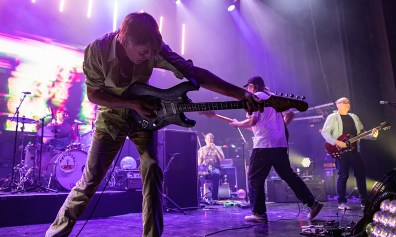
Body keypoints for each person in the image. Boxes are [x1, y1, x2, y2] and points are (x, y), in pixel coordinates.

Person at [45, 12, 262, 237]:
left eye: (152, 51)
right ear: (124, 39)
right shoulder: (97, 50)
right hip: (111, 118)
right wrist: (131, 103)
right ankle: (56, 234)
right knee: (89, 181)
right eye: (143, 52)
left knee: (152, 170)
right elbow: (93, 95)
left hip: (146, 116)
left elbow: (195, 74)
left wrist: (241, 94)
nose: (149, 56)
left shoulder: (155, 47)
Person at [229, 76, 323, 223]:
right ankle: (312, 203)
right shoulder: (273, 96)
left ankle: (259, 213)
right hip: (279, 143)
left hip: (264, 146)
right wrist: (278, 128)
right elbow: (290, 114)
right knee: (288, 176)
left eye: (248, 87)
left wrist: (238, 124)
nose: (247, 90)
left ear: (252, 86)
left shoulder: (255, 97)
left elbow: (253, 121)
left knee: (254, 178)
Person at [321, 97, 378, 210]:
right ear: (337, 105)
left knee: (361, 175)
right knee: (343, 176)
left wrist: (373, 135)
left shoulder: (354, 117)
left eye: (348, 102)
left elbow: (361, 133)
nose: (347, 104)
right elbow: (325, 133)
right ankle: (341, 202)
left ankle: (364, 201)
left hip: (354, 150)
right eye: (344, 102)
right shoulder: (333, 117)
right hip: (341, 151)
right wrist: (337, 142)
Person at [198, 133, 225, 201]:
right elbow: (199, 162)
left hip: (215, 168)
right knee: (197, 176)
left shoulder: (218, 148)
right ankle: (198, 197)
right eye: (208, 138)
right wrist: (200, 159)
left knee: (216, 174)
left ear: (213, 140)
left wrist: (216, 148)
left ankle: (214, 198)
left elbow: (222, 159)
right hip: (204, 169)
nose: (209, 139)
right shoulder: (202, 149)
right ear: (205, 140)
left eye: (211, 138)